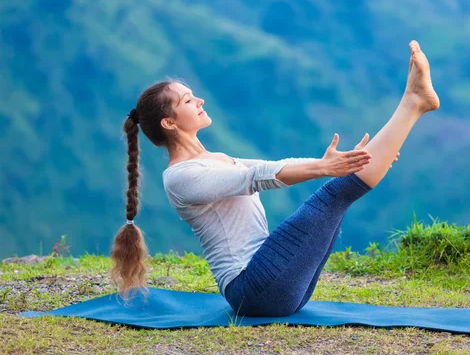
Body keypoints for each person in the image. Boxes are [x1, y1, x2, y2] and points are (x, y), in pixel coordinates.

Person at [111, 40, 440, 316]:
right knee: (334, 192)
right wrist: (327, 168)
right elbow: (256, 177)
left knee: (340, 191)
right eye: (187, 101)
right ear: (170, 123)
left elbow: (275, 165)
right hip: (252, 290)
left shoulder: (218, 160)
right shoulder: (180, 178)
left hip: (275, 287)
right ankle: (413, 102)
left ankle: (411, 106)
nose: (199, 101)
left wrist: (335, 162)